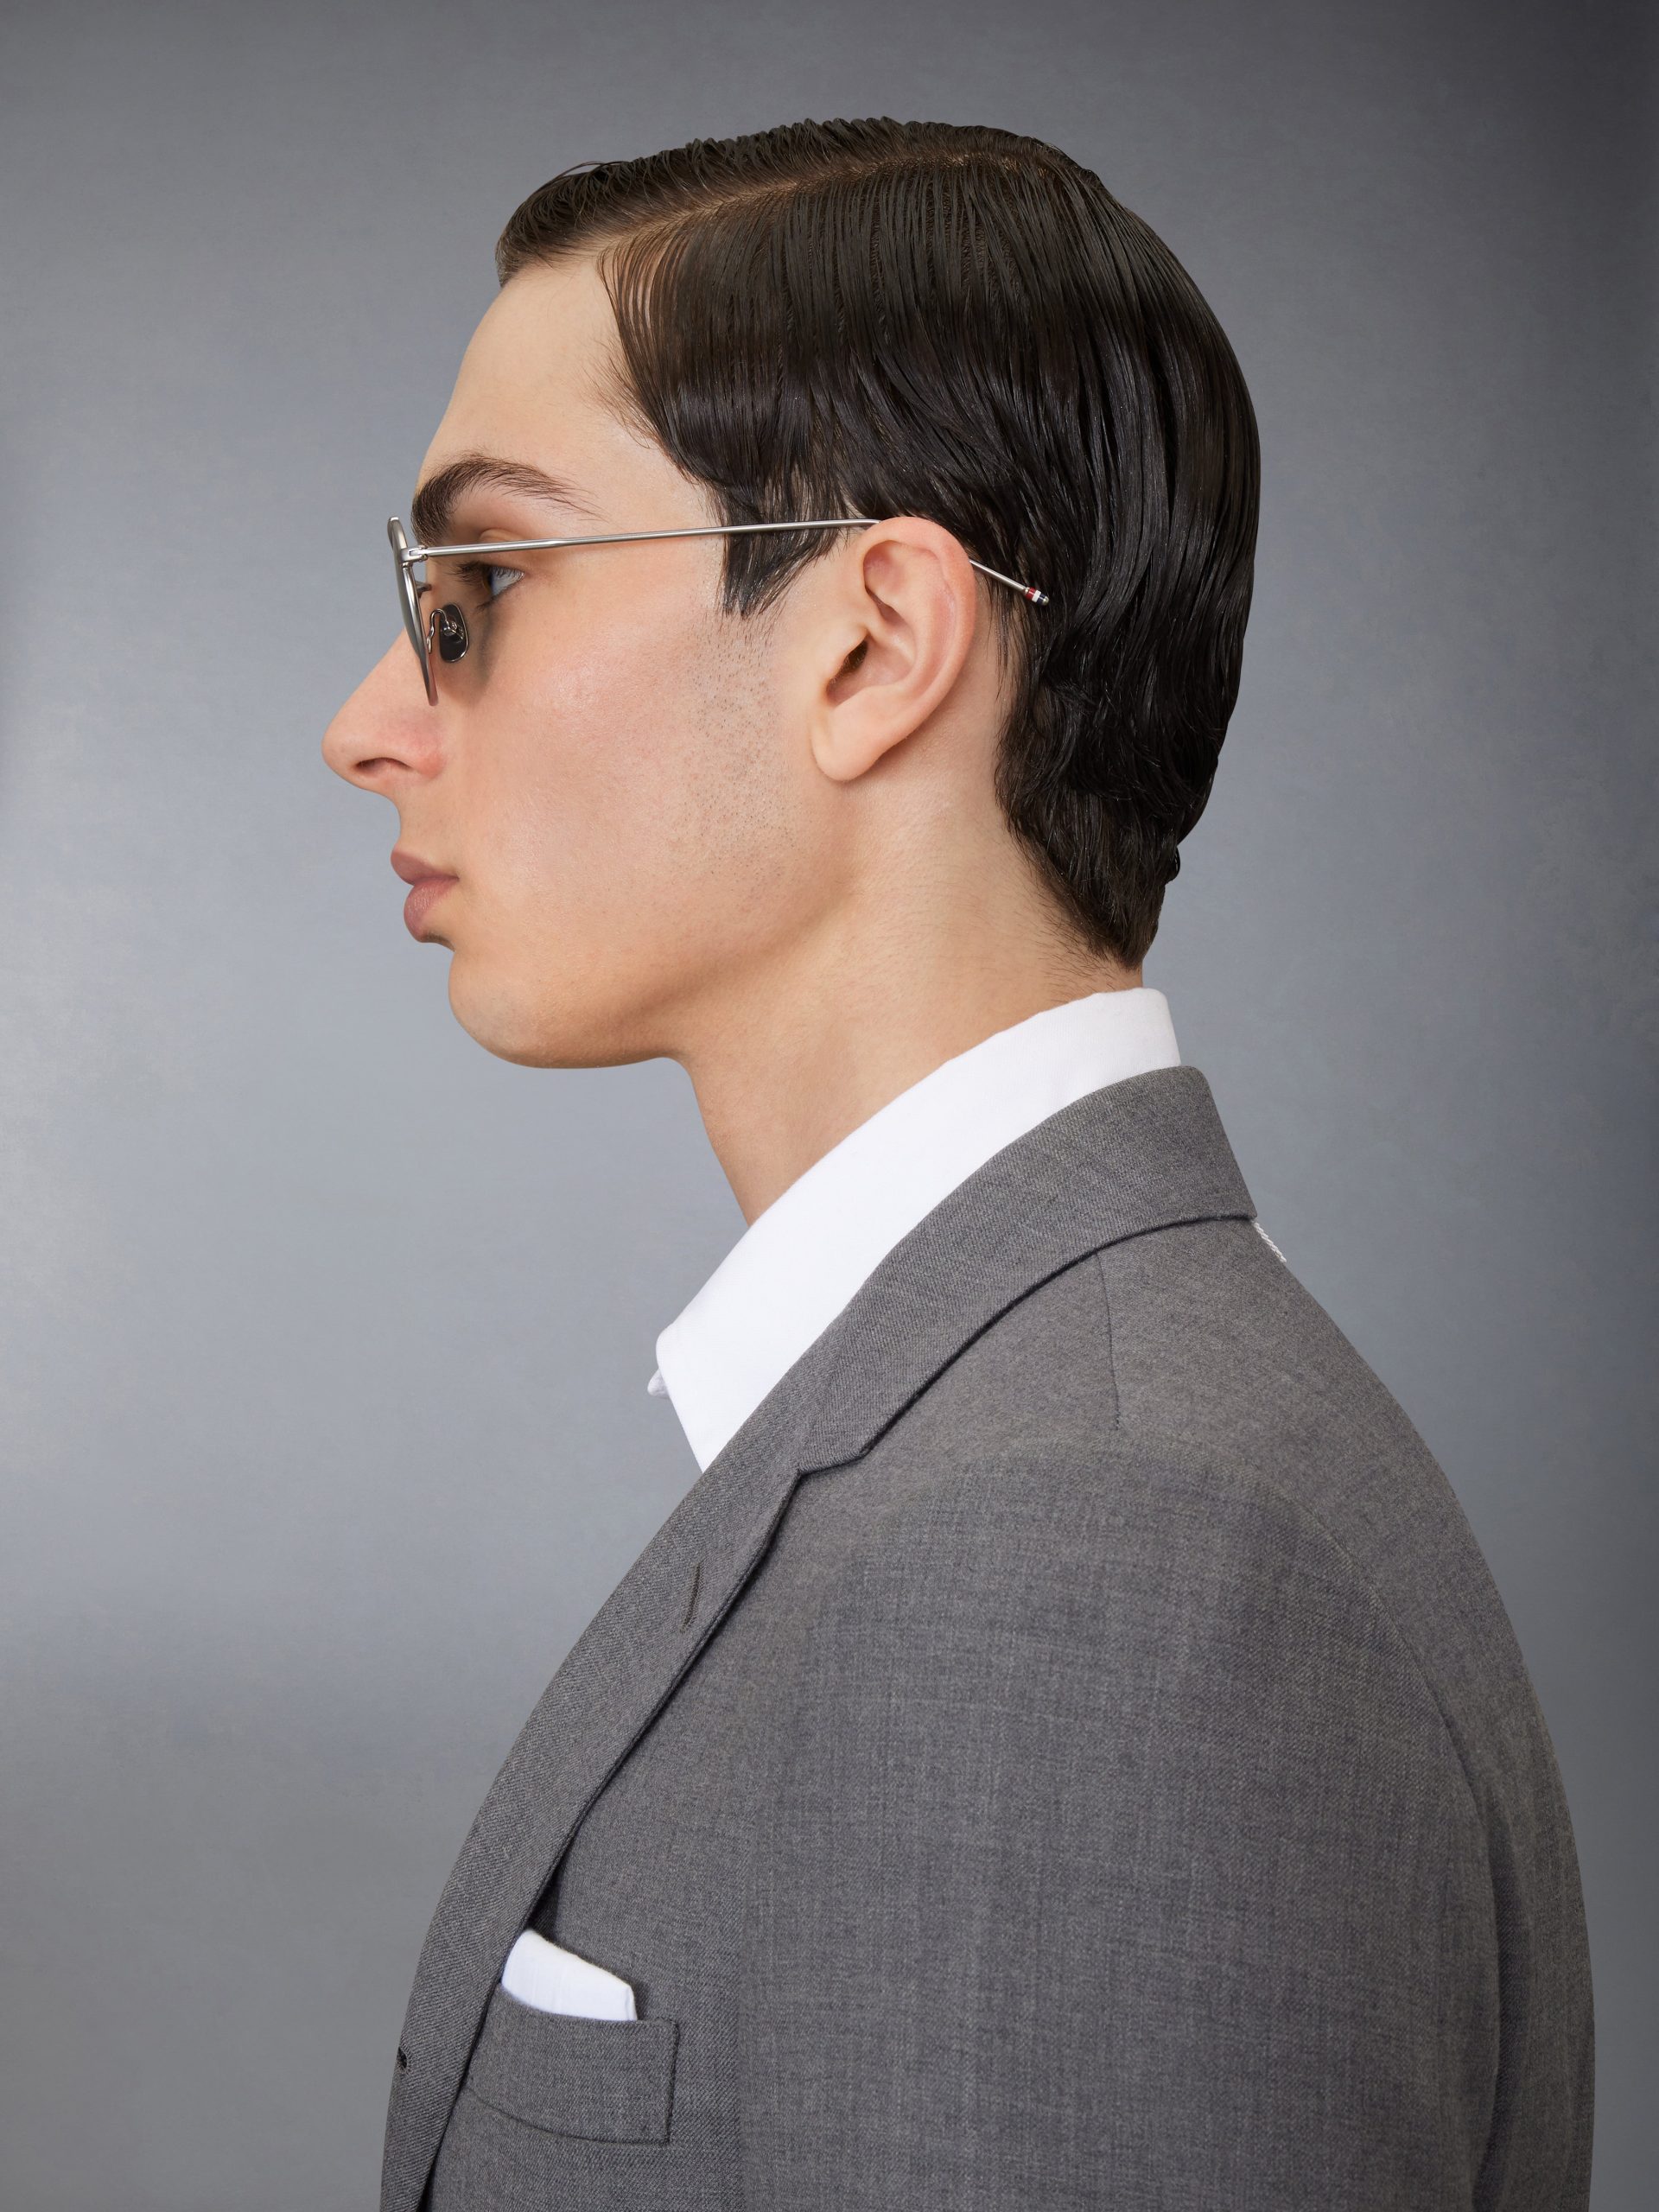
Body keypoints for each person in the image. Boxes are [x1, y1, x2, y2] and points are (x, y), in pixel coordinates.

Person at [323, 118, 1592, 2212]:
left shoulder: (1096, 1559)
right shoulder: (1037, 1439)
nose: (371, 717)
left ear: (874, 640)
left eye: (481, 588)